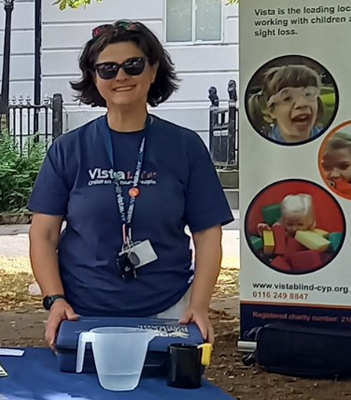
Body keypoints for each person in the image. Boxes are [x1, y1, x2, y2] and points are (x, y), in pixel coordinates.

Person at [27, 20, 233, 348]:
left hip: (169, 310)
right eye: (107, 69)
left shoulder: (185, 147)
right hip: (82, 313)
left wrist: (199, 305)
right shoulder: (69, 149)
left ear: (153, 71)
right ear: (94, 78)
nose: (120, 76)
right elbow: (43, 233)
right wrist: (55, 301)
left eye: (133, 65)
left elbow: (208, 234)